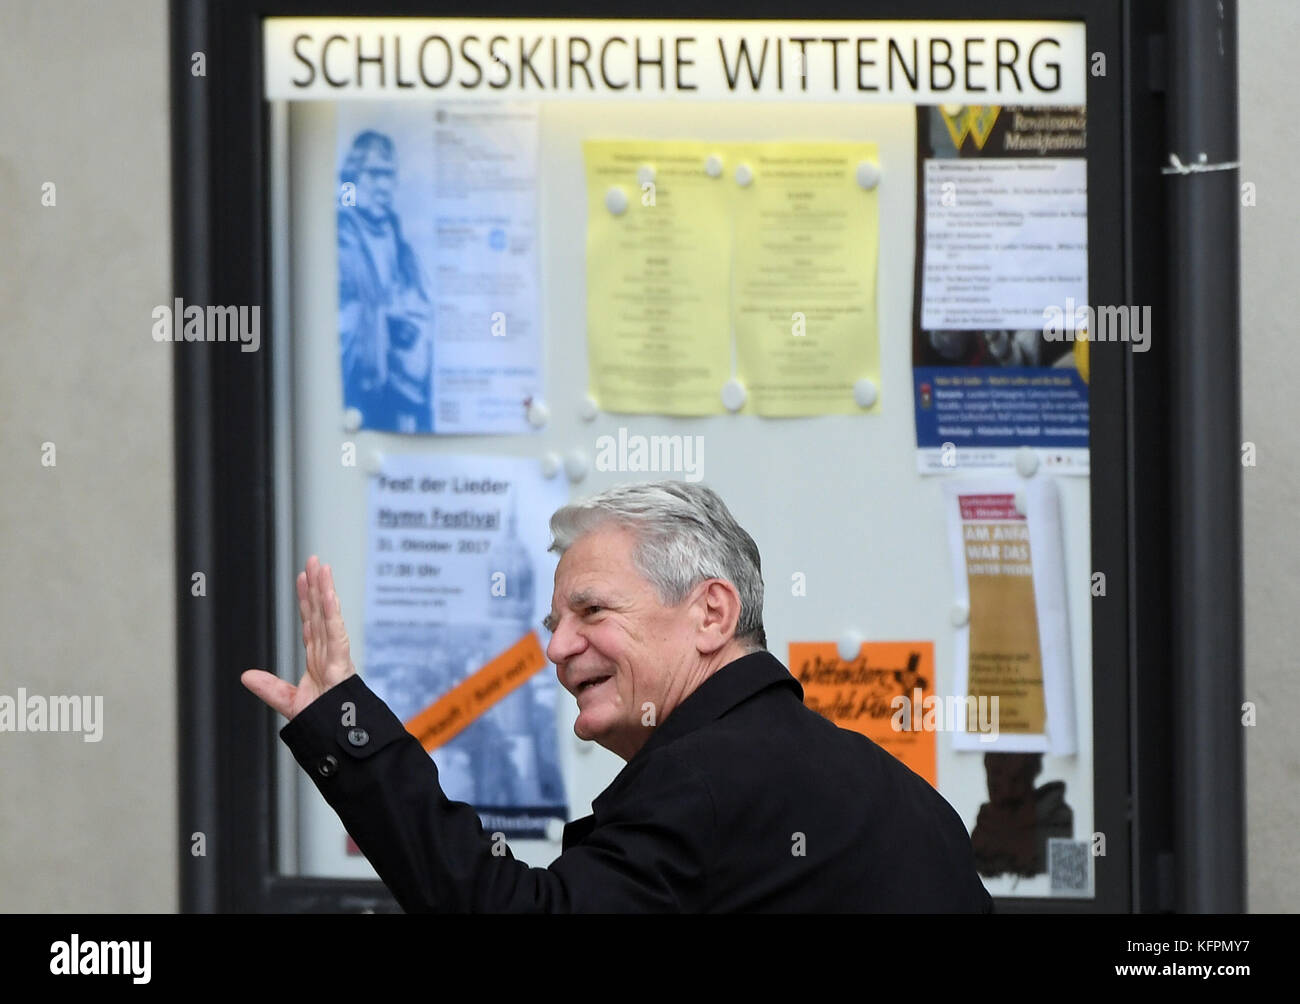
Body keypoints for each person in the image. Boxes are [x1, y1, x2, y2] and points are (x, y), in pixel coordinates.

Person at [242, 481, 993, 913]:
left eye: (592, 612)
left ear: (712, 614)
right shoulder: (894, 792)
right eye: (553, 622)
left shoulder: (707, 778)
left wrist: (347, 728)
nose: (558, 646)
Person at [337, 130, 433, 433]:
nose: (384, 186)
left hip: (394, 378)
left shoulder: (394, 231)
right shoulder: (340, 232)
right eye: (375, 174)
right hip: (355, 384)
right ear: (352, 175)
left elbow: (414, 296)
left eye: (389, 176)